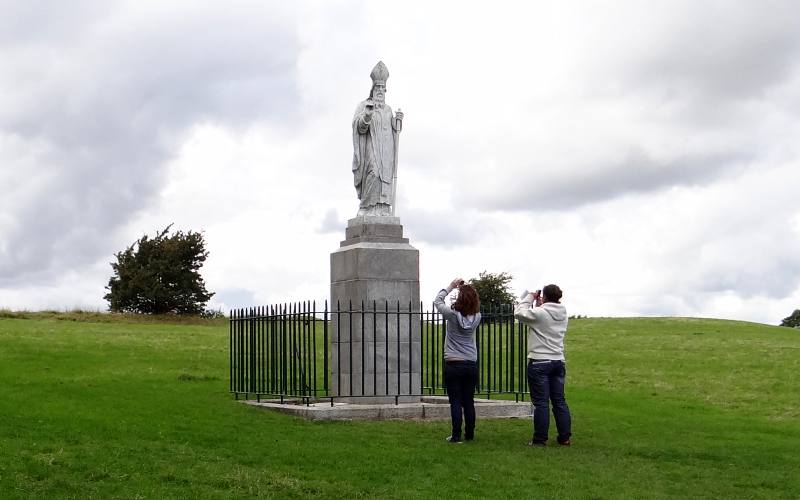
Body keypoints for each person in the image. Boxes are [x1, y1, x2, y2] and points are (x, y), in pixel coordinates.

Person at [514, 284, 572, 447]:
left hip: (540, 361)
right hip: (558, 361)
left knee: (541, 403)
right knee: (559, 401)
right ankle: (564, 437)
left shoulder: (540, 313)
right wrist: (541, 305)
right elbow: (546, 317)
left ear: (544, 296)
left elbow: (518, 313)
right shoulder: (563, 312)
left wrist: (530, 297)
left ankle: (540, 439)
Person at [352, 61, 404, 217]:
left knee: (385, 177)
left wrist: (398, 122)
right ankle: (366, 207)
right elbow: (359, 127)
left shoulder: (388, 109)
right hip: (371, 147)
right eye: (378, 88)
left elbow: (393, 129)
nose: (380, 90)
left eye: (383, 88)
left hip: (386, 150)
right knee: (373, 172)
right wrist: (367, 115)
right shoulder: (364, 105)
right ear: (373, 89)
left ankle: (383, 208)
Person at [434, 278, 481, 443]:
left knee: (455, 400)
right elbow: (469, 305)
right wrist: (466, 289)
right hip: (470, 363)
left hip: (453, 362)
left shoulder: (451, 315)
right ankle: (469, 434)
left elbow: (437, 301)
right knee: (469, 400)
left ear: (459, 298)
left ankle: (456, 435)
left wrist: (451, 286)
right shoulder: (477, 317)